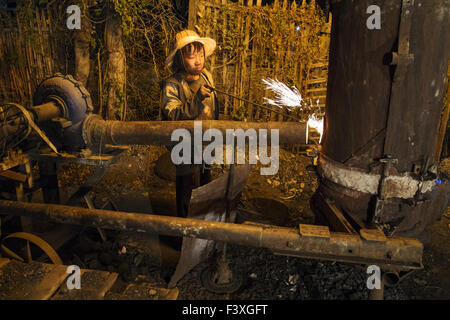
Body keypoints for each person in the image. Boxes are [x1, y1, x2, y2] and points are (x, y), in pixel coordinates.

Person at [161, 29, 220, 219]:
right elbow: (172, 116)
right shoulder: (172, 85)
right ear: (179, 59)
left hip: (207, 143)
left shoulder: (207, 77)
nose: (198, 61)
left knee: (206, 188)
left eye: (201, 55)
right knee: (187, 191)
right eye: (191, 57)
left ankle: (203, 231)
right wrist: (196, 100)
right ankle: (185, 234)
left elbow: (214, 110)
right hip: (185, 148)